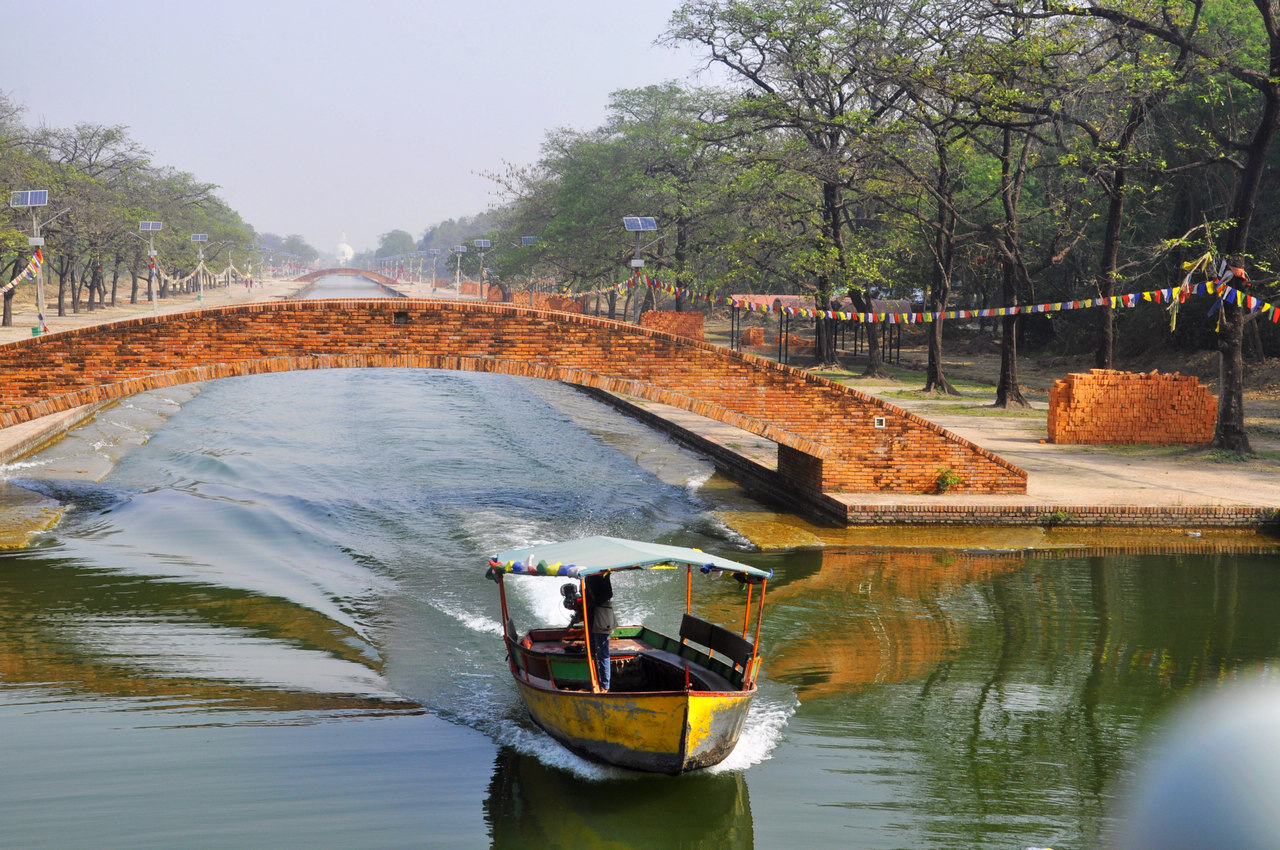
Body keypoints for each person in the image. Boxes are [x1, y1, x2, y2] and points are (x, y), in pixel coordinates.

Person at [584, 570, 617, 690]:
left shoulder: (602, 571)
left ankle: (605, 686)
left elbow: (609, 593)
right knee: (590, 649)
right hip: (590, 615)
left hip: (601, 614)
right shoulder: (585, 573)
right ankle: (593, 680)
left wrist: (593, 602)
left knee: (602, 651)